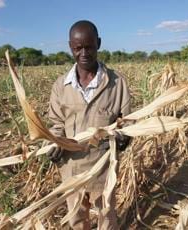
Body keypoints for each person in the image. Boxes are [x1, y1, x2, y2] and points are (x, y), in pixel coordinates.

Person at [46, 20, 131, 229]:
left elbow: (127, 122)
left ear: (98, 44)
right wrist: (53, 143)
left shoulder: (117, 83)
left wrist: (124, 137)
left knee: (107, 216)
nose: (84, 53)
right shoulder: (61, 86)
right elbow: (56, 123)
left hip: (103, 168)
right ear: (70, 48)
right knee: (76, 218)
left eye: (89, 47)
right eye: (78, 48)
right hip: (71, 168)